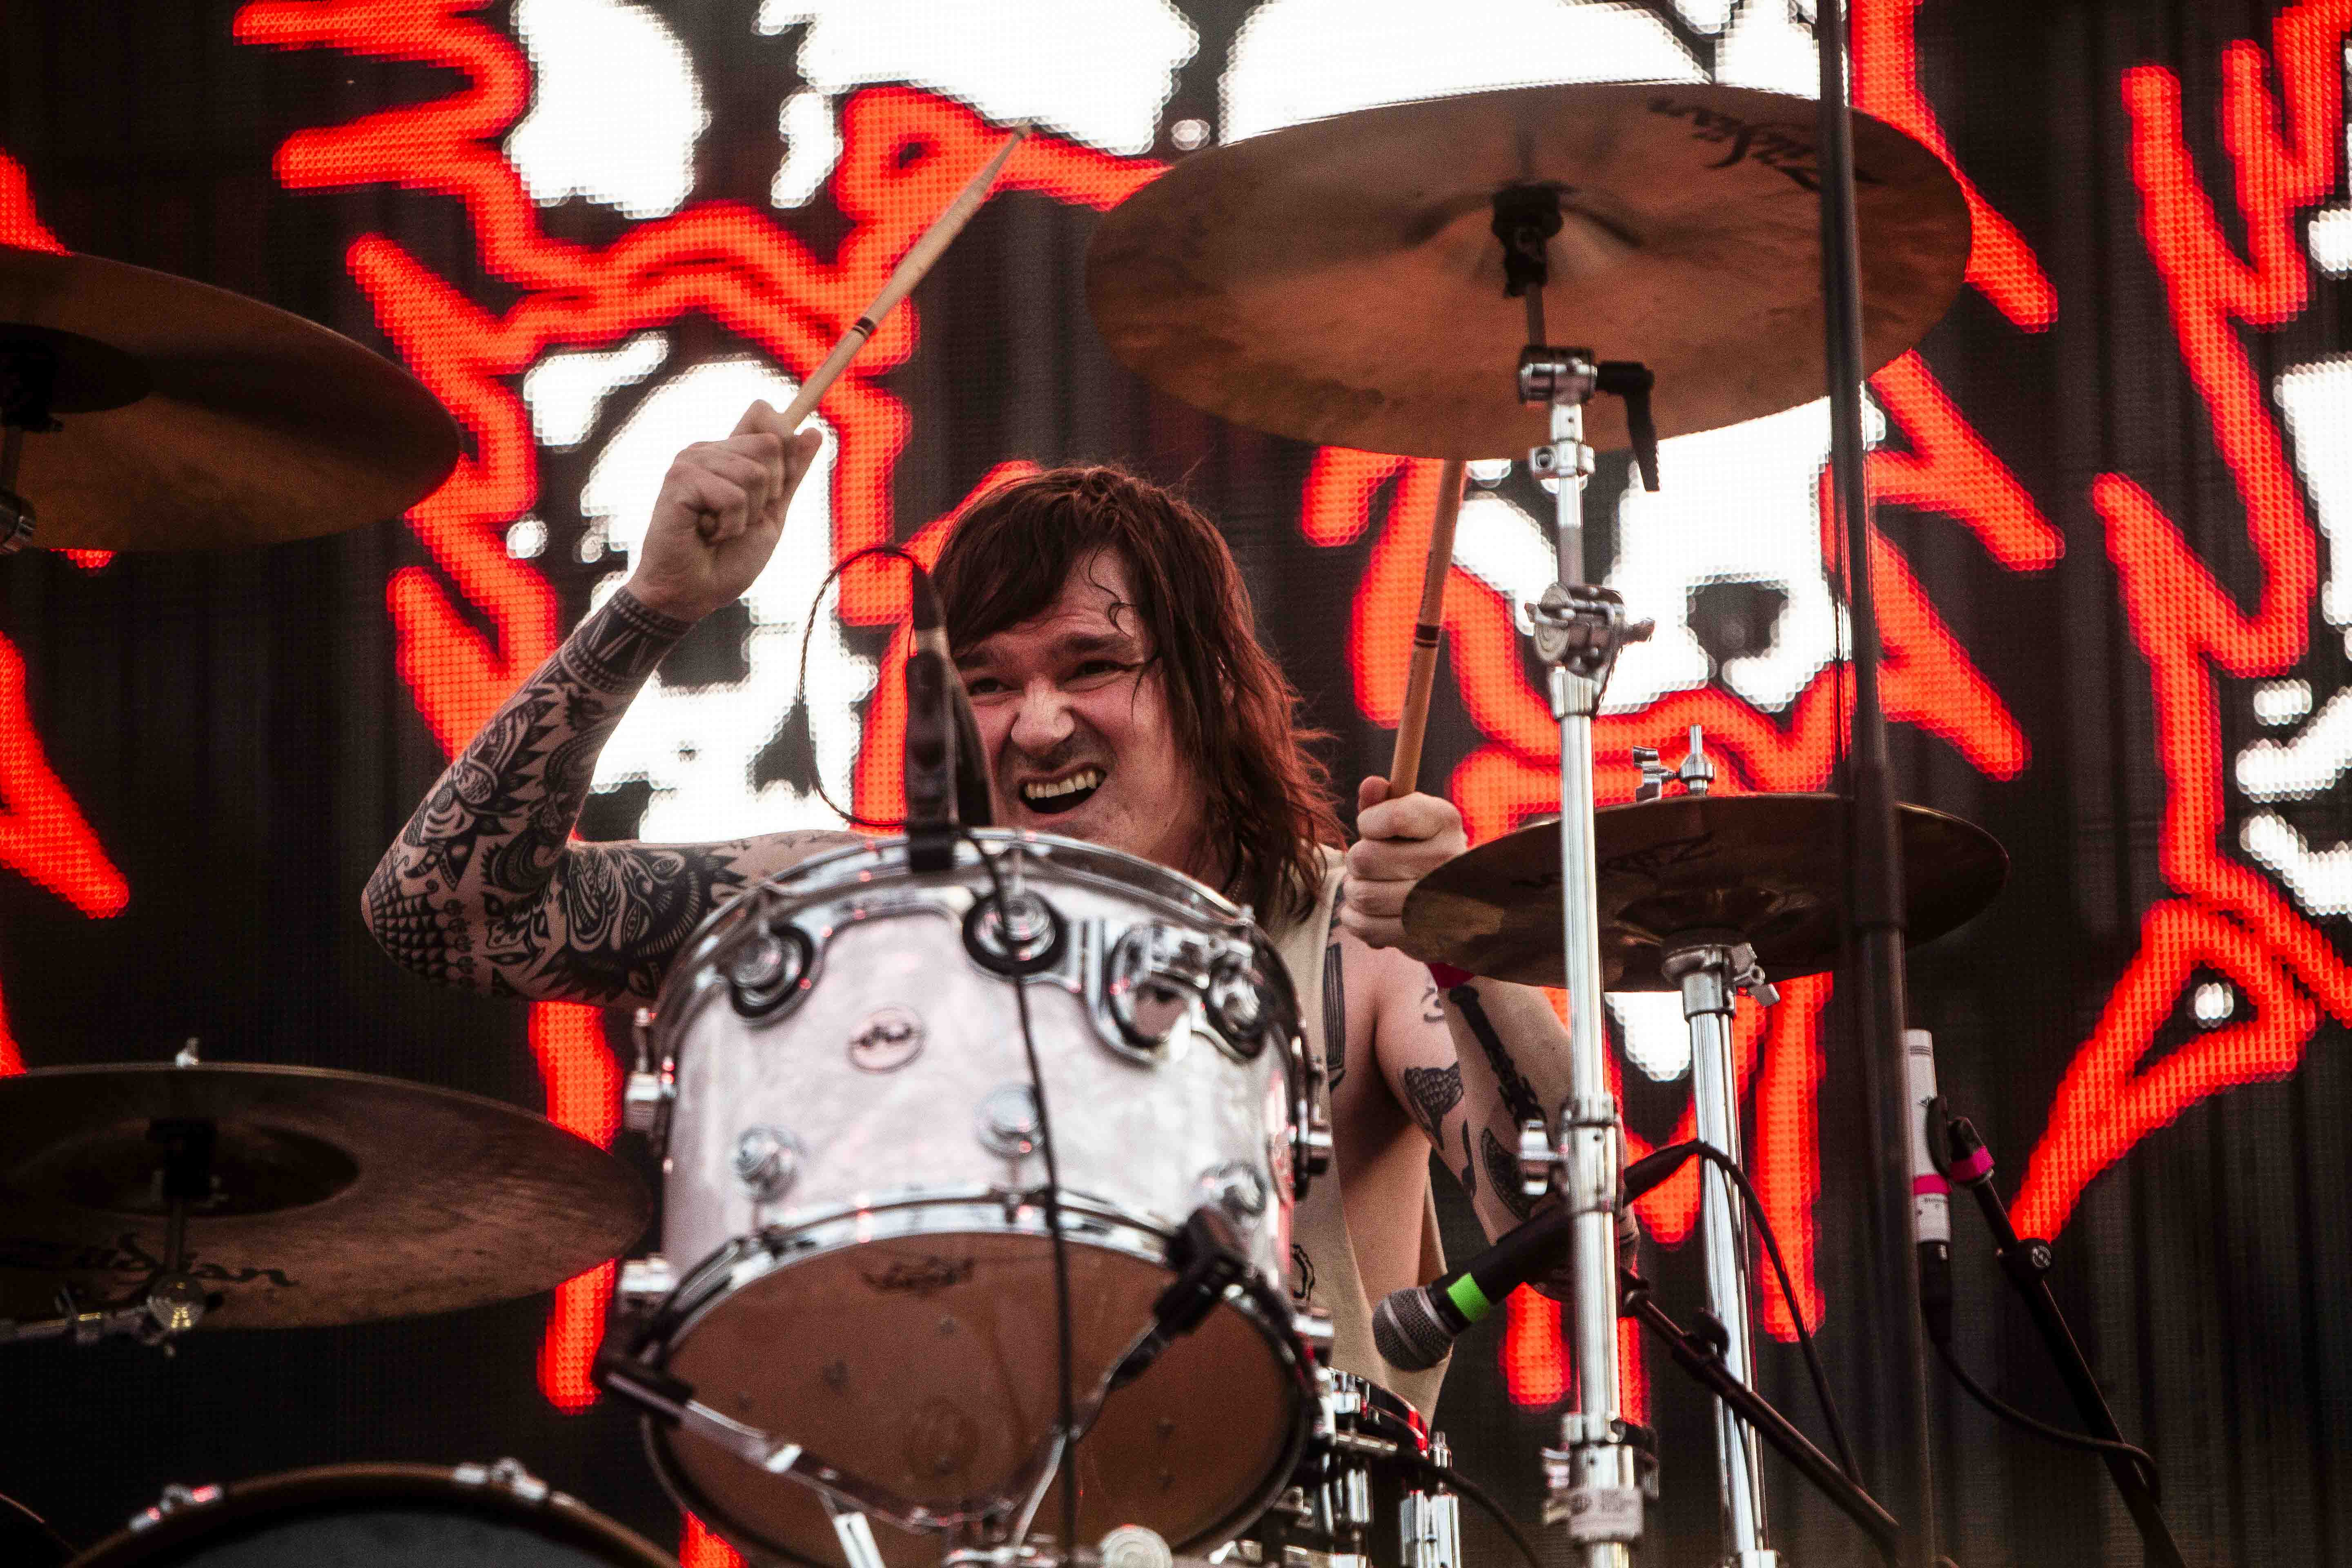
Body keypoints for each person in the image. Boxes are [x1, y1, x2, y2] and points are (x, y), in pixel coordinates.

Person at [362, 402, 1590, 1418]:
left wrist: (1465, 940)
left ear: (1209, 688)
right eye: (990, 684)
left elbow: (1582, 1245)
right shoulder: (870, 916)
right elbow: (440, 913)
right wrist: (653, 610)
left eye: (1091, 666)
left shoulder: (1362, 938)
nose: (1038, 726)